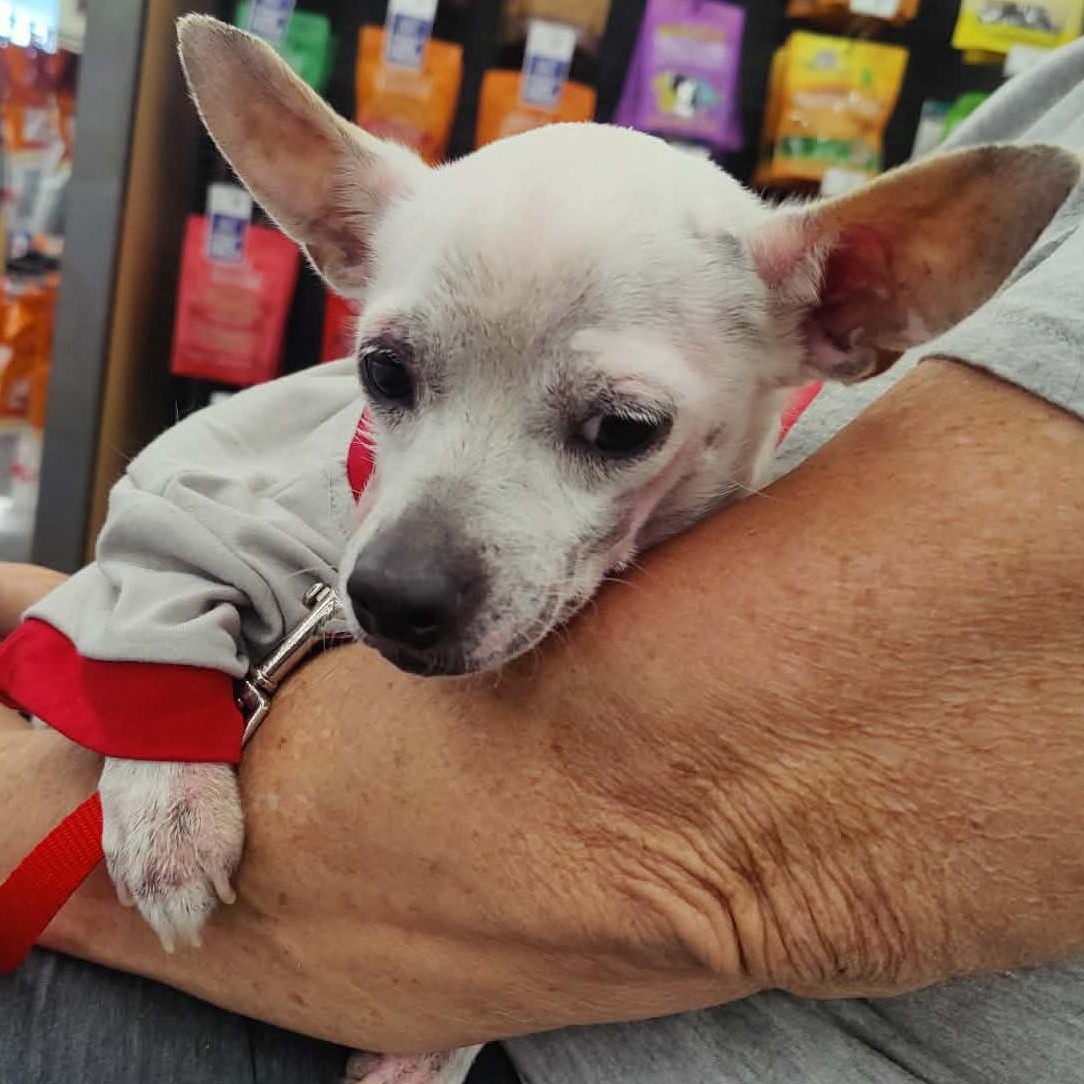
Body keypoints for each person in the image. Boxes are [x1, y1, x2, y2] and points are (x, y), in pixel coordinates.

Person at [2, 35, 1084, 1084]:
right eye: (395, 378)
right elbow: (172, 533)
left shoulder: (784, 351)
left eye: (613, 429)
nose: (406, 566)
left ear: (846, 307)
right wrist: (159, 748)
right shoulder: (297, 492)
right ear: (341, 235)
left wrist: (460, 1020)